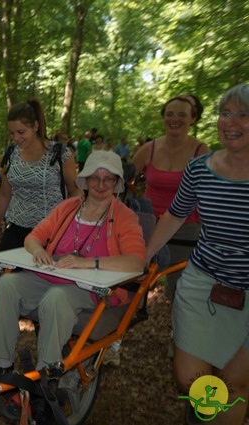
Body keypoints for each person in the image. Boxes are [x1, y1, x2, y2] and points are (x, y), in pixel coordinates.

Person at [0, 151, 145, 376]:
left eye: (108, 179)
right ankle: (2, 364)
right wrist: (38, 249)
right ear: (86, 180)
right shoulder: (68, 208)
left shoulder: (124, 217)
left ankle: (47, 372)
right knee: (6, 285)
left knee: (56, 298)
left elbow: (136, 262)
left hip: (89, 289)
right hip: (48, 277)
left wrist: (87, 263)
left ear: (117, 183)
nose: (101, 184)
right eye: (95, 178)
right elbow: (33, 238)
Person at [145, 83, 249, 425]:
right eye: (225, 113)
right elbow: (175, 215)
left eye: (243, 114)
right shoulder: (199, 168)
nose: (231, 122)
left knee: (233, 382)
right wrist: (143, 255)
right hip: (202, 283)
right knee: (192, 380)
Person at [0, 100, 82, 308]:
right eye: (12, 133)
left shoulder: (59, 153)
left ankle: (45, 328)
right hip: (17, 227)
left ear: (36, 126)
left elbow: (75, 191)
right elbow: (5, 193)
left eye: (21, 132)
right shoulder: (11, 154)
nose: (16, 138)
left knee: (44, 282)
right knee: (0, 275)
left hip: (50, 232)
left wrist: (74, 224)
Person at [130, 95, 210, 302]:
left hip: (186, 228)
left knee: (181, 290)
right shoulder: (148, 149)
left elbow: (209, 196)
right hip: (147, 226)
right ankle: (117, 331)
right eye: (169, 114)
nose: (175, 119)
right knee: (132, 284)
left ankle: (181, 331)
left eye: (182, 115)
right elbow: (122, 181)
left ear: (193, 118)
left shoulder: (202, 152)